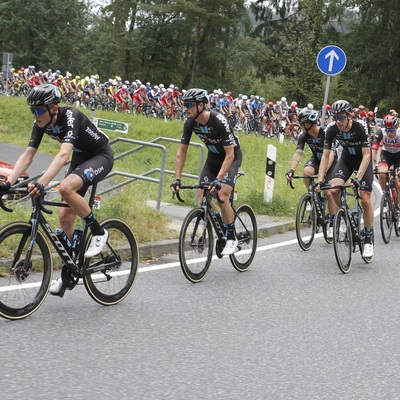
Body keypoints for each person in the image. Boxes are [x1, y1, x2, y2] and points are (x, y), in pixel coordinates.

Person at [0, 84, 114, 295]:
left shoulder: (71, 116)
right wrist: (8, 184)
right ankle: (71, 268)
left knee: (66, 188)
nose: (35, 115)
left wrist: (42, 183)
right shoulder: (41, 123)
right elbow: (27, 156)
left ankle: (99, 232)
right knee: (64, 218)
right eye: (32, 111)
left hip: (100, 155)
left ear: (53, 108)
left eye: (39, 110)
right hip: (81, 159)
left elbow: (63, 157)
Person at [171, 88, 242, 255]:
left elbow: (230, 154)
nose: (185, 108)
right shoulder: (189, 123)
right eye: (184, 104)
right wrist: (177, 179)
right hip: (213, 159)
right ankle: (221, 223)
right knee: (203, 197)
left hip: (231, 157)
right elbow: (181, 152)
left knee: (222, 196)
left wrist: (218, 179)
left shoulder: (219, 120)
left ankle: (231, 236)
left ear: (201, 105)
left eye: (189, 105)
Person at [316, 99, 374, 259]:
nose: (338, 121)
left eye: (341, 118)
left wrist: (358, 178)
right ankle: (345, 214)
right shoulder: (331, 129)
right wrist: (321, 179)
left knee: (365, 199)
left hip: (363, 160)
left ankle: (368, 237)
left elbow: (368, 155)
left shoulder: (360, 126)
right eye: (335, 118)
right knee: (333, 189)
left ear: (349, 116)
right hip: (347, 159)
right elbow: (325, 155)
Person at [285, 108, 337, 238]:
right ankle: (312, 196)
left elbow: (330, 155)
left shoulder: (325, 133)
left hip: (331, 163)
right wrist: (291, 170)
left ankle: (332, 221)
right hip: (317, 160)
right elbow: (298, 154)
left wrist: (322, 173)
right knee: (307, 171)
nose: (300, 127)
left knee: (329, 193)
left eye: (301, 124)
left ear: (307, 124)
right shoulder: (304, 136)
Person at [372, 114, 400, 218]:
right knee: (382, 173)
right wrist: (371, 166)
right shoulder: (381, 132)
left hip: (398, 156)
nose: (389, 133)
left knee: (398, 183)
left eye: (392, 130)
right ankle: (385, 196)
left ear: (396, 128)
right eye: (387, 130)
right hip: (387, 155)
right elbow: (374, 149)